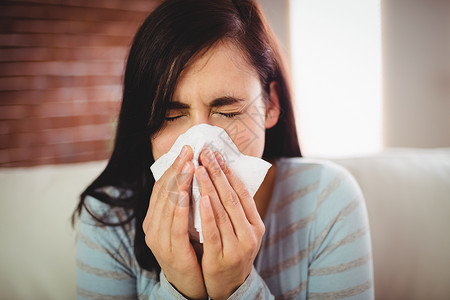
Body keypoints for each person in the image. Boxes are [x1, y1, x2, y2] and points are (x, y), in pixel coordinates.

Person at [73, 0, 374, 299]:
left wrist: (237, 286)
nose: (201, 145)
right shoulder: (107, 219)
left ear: (271, 105)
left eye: (228, 113)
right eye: (171, 116)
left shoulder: (326, 201)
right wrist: (179, 288)